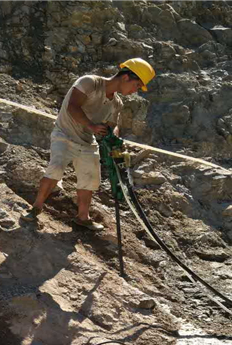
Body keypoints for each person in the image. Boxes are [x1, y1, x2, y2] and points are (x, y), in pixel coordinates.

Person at [21, 58, 156, 232]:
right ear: (126, 77)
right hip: (64, 133)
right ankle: (36, 208)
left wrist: (114, 141)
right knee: (56, 168)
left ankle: (82, 217)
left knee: (91, 179)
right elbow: (73, 106)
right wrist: (91, 125)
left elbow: (111, 126)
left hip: (86, 141)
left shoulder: (117, 103)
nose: (135, 91)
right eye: (137, 85)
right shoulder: (89, 82)